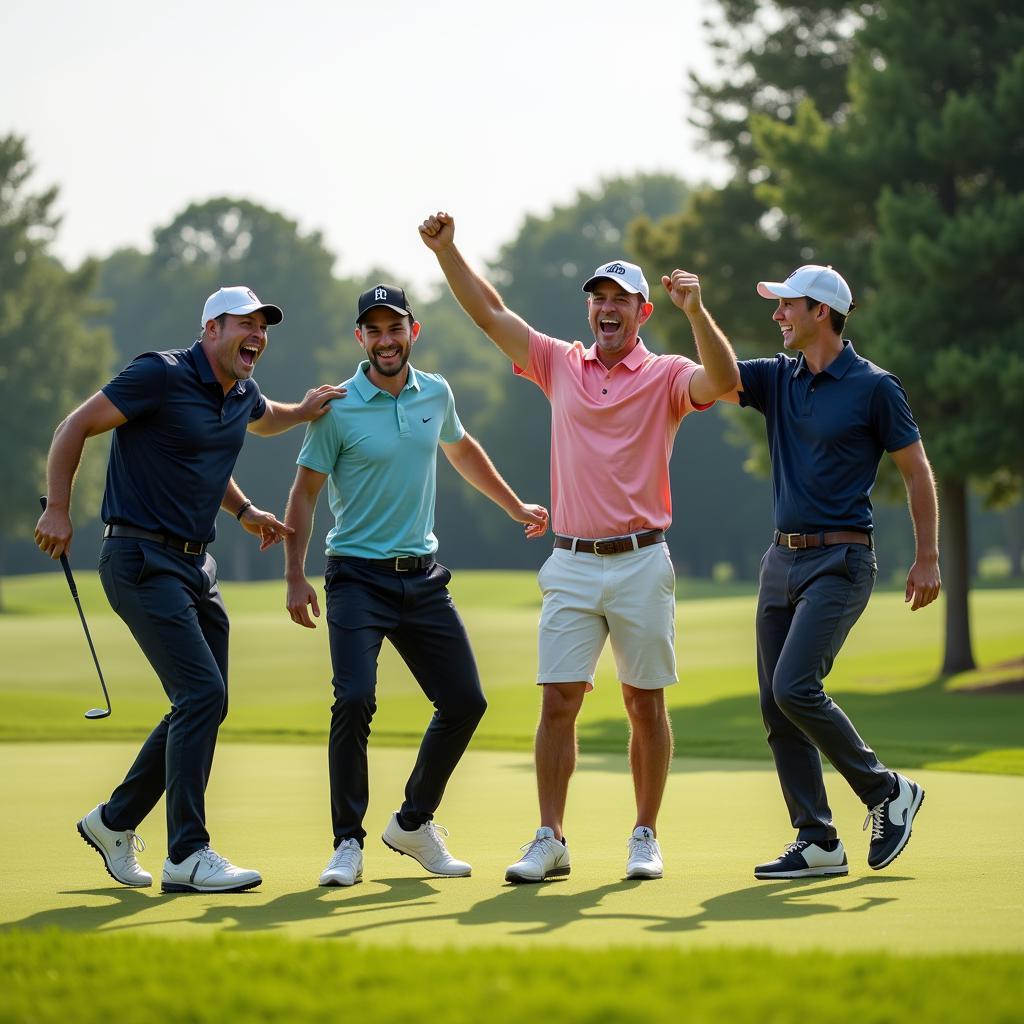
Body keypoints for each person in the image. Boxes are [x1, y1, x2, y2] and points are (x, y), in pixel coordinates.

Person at [419, 212, 740, 883]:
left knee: (644, 703)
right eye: (597, 298)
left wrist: (699, 310)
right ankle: (551, 837)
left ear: (643, 311)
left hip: (642, 559)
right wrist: (449, 252)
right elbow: (490, 314)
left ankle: (645, 834)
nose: (605, 309)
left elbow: (726, 379)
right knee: (557, 702)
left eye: (619, 299)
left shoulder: (669, 375)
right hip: (569, 560)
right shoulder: (560, 362)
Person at [35, 285, 345, 894]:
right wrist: (59, 509)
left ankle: (114, 822)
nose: (256, 334)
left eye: (263, 326)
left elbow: (262, 422)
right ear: (211, 330)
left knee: (205, 700)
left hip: (195, 567)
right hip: (139, 557)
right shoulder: (159, 374)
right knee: (201, 694)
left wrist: (253, 501)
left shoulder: (240, 394)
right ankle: (188, 853)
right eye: (244, 324)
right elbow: (74, 426)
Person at [283, 283, 548, 887]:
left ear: (413, 333)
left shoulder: (437, 393)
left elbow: (461, 449)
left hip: (422, 579)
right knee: (353, 700)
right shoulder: (337, 405)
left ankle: (412, 823)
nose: (385, 340)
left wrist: (513, 506)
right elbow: (304, 491)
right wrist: (296, 575)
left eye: (394, 328)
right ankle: (347, 843)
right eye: (373, 330)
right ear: (360, 339)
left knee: (465, 702)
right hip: (355, 577)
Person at [717, 264, 940, 878]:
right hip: (780, 559)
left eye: (787, 305)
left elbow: (916, 471)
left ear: (820, 311)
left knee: (795, 688)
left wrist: (927, 556)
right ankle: (817, 840)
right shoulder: (777, 377)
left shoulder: (875, 387)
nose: (777, 315)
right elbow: (720, 377)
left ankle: (885, 791)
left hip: (841, 560)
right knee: (774, 704)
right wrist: (692, 312)